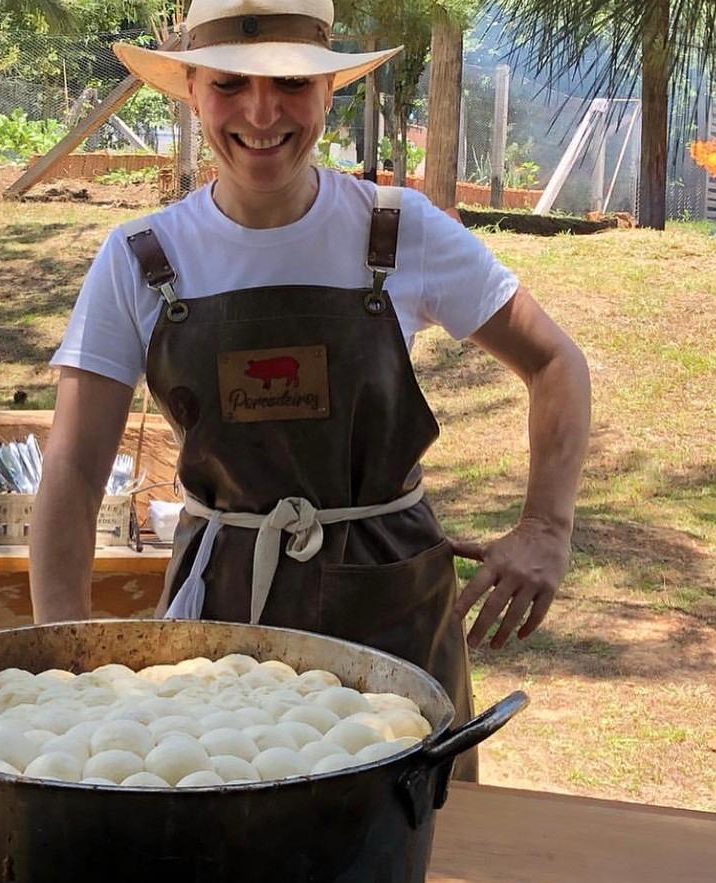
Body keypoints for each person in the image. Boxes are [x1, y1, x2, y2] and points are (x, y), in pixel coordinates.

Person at [29, 0, 591, 779]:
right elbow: (75, 471)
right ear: (191, 90)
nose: (262, 113)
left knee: (418, 852)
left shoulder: (398, 231)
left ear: (331, 92)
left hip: (391, 607)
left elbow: (555, 362)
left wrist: (546, 528)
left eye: (292, 84)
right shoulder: (140, 260)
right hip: (221, 619)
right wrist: (65, 661)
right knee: (221, 837)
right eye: (230, 84)